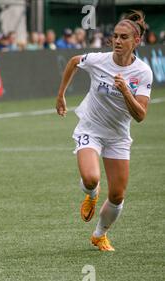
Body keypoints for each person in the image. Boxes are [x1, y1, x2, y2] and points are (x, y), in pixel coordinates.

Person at [55, 10, 153, 251]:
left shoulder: (142, 72)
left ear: (136, 41)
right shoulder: (99, 60)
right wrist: (61, 96)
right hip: (91, 128)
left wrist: (125, 91)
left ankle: (99, 235)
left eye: (124, 37)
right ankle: (91, 192)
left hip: (118, 136)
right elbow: (74, 62)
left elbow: (140, 116)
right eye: (115, 36)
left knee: (118, 196)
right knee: (91, 178)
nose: (117, 41)